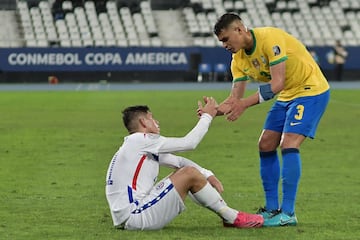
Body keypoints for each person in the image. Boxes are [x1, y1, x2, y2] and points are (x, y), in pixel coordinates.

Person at [202, 13, 330, 227]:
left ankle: (288, 213)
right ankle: (272, 209)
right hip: (289, 94)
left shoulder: (269, 38)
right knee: (266, 144)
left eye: (225, 39)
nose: (224, 45)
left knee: (288, 143)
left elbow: (277, 83)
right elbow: (235, 99)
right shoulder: (238, 60)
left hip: (311, 89)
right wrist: (212, 111)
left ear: (240, 30)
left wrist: (244, 105)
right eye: (221, 42)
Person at [105, 101, 264, 230]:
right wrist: (207, 116)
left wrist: (207, 174)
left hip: (130, 215)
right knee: (188, 174)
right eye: (152, 117)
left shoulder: (137, 146)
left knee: (186, 172)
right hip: (135, 216)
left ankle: (229, 216)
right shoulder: (140, 140)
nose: (157, 121)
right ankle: (233, 218)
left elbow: (179, 162)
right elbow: (189, 143)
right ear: (143, 121)